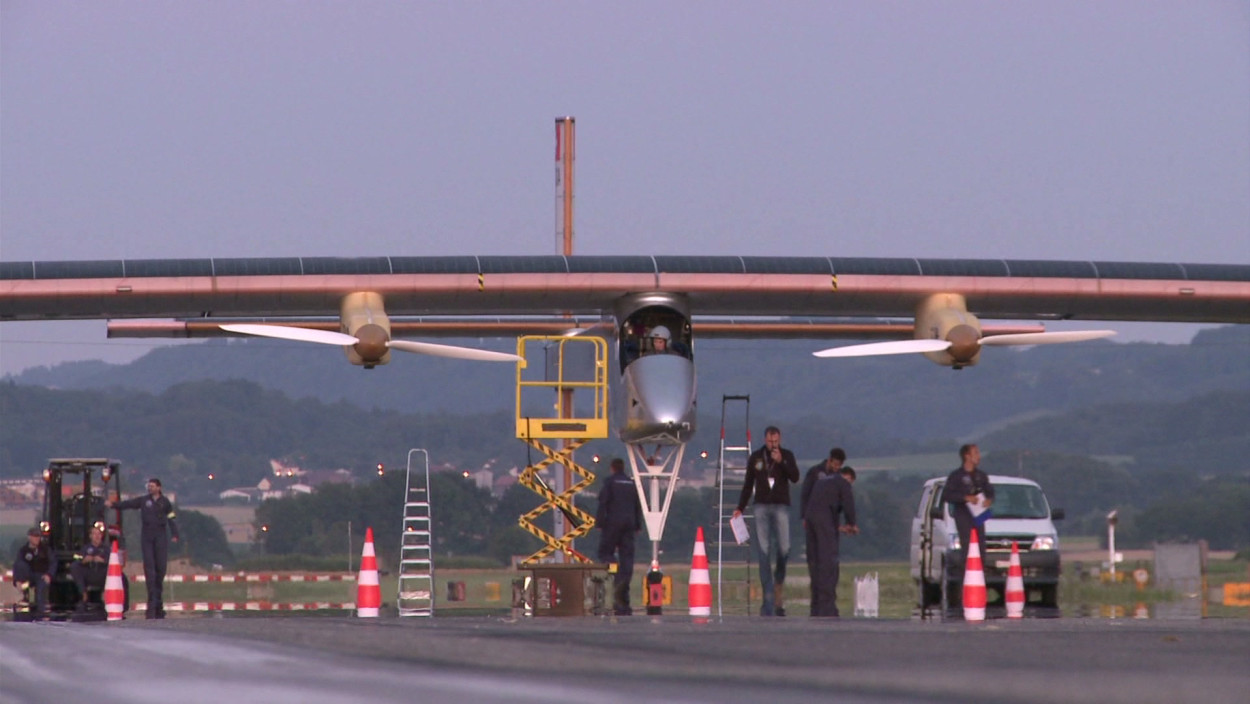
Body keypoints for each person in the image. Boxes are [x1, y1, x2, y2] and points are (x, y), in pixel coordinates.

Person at [733, 425, 800, 616]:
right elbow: (748, 484)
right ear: (765, 440)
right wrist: (740, 507)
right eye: (770, 442)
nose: (773, 445)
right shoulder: (756, 458)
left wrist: (782, 462)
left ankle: (779, 583)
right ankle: (769, 601)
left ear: (780, 439)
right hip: (761, 505)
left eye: (776, 442)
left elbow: (795, 477)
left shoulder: (787, 455)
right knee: (763, 552)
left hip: (781, 505)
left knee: (784, 549)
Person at [107, 477, 179, 619]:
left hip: (160, 536)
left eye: (152, 486)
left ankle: (158, 601)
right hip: (147, 537)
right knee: (150, 570)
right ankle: (152, 604)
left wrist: (175, 534)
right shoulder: (143, 500)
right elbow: (129, 504)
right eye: (149, 486)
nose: (150, 488)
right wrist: (114, 505)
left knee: (160, 569)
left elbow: (171, 518)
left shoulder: (165, 502)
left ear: (159, 487)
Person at [804, 467, 858, 617]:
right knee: (828, 563)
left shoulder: (823, 482)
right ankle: (827, 608)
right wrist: (852, 524)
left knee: (815, 564)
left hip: (811, 520)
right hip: (823, 522)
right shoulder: (843, 482)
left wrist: (838, 527)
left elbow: (821, 510)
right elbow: (849, 504)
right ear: (848, 477)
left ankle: (815, 607)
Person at [801, 448, 846, 615]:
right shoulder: (815, 473)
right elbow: (805, 494)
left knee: (829, 563)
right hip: (813, 521)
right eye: (834, 464)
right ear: (829, 460)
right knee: (816, 563)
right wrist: (804, 516)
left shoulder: (838, 477)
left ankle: (827, 604)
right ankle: (817, 604)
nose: (836, 468)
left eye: (839, 466)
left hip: (830, 522)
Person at [596, 458, 643, 615]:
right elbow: (637, 505)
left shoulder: (610, 483)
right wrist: (638, 525)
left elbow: (603, 503)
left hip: (613, 524)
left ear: (612, 468)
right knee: (627, 558)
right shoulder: (631, 484)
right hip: (629, 524)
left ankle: (614, 572)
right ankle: (623, 598)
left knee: (605, 552)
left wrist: (599, 523)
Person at [941, 444, 994, 566]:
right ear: (967, 456)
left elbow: (990, 492)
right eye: (976, 453)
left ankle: (980, 578)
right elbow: (947, 495)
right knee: (967, 548)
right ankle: (965, 579)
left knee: (981, 548)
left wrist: (989, 500)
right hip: (963, 516)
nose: (979, 456)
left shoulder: (981, 476)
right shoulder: (956, 476)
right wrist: (965, 498)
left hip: (979, 516)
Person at [12, 527, 58, 616]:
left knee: (40, 594)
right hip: (29, 575)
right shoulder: (23, 551)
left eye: (38, 536)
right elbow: (17, 566)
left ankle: (40, 613)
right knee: (20, 564)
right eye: (35, 536)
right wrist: (17, 580)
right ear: (29, 537)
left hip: (42, 575)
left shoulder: (45, 549)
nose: (37, 539)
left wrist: (49, 575)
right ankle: (23, 596)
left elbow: (53, 563)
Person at [70, 523, 110, 604]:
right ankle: (84, 593)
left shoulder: (106, 549)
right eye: (94, 534)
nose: (97, 536)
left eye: (99, 534)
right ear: (90, 536)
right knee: (74, 566)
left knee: (111, 570)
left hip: (101, 574)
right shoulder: (85, 548)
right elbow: (77, 557)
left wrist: (103, 561)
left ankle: (104, 593)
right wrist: (84, 560)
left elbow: (112, 561)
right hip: (89, 572)